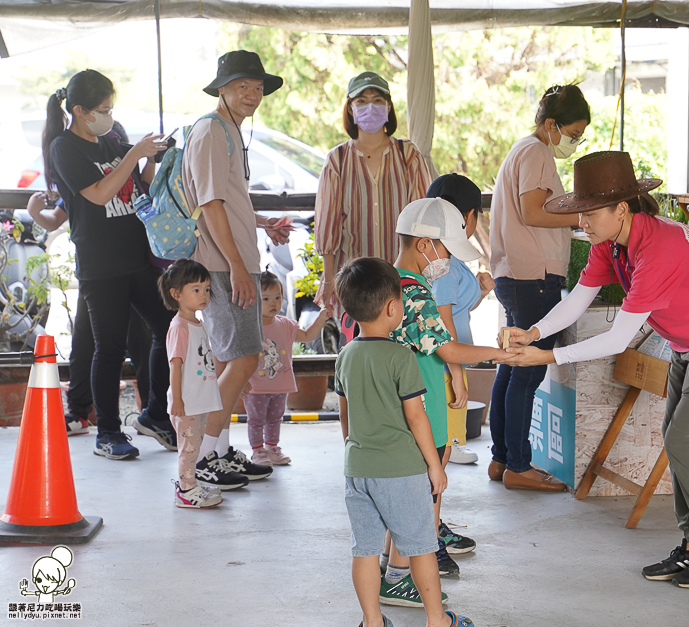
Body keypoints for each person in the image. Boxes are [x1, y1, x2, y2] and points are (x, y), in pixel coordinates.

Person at [504, 151, 689, 589]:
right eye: (579, 214)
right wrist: (533, 333)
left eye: (588, 214)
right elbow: (577, 299)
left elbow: (615, 339)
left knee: (684, 441)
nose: (581, 224)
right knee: (683, 441)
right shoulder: (613, 243)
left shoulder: (659, 248)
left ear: (621, 210)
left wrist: (548, 357)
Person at [42, 69, 176, 460]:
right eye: (102, 109)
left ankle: (154, 413)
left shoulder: (112, 139)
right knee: (111, 348)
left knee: (169, 329)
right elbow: (100, 194)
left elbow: (140, 184)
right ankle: (108, 432)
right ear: (80, 111)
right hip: (101, 264)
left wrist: (154, 160)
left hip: (139, 254)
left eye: (111, 108)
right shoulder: (64, 147)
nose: (109, 116)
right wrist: (134, 153)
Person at [333, 257, 473, 627]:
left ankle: (373, 621)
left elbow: (345, 413)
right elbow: (416, 416)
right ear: (395, 307)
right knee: (422, 547)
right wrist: (433, 465)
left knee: (364, 551)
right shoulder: (401, 356)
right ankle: (436, 619)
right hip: (401, 471)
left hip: (358, 469)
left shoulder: (345, 356)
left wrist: (352, 448)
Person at [383, 197, 510, 588]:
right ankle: (401, 578)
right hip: (422, 409)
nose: (450, 262)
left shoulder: (388, 282)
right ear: (425, 245)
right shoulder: (416, 293)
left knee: (405, 497)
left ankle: (390, 570)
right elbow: (447, 348)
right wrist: (503, 354)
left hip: (399, 407)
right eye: (448, 252)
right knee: (419, 501)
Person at [182, 50, 291, 489]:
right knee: (244, 360)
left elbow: (227, 199)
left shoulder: (227, 131)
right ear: (222, 88)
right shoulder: (211, 130)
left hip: (233, 263)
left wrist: (260, 223)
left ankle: (221, 451)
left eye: (258, 87)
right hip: (223, 266)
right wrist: (236, 268)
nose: (252, 94)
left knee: (233, 360)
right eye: (243, 86)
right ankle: (204, 457)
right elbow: (208, 204)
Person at [488, 84, 590, 491]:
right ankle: (518, 464)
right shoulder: (536, 152)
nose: (574, 142)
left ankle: (502, 458)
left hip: (516, 274)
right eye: (574, 134)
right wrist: (580, 219)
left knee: (511, 366)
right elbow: (533, 212)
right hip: (533, 277)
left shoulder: (522, 150)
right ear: (552, 125)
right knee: (527, 371)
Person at [314, 71, 431, 317]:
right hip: (354, 281)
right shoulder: (338, 160)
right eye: (362, 101)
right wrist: (328, 280)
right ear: (350, 108)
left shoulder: (408, 154)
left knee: (402, 350)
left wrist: (423, 275)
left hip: (401, 278)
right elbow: (328, 224)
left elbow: (424, 218)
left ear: (389, 107)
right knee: (358, 349)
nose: (370, 107)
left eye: (378, 100)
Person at [427, 173, 495, 467]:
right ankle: (448, 448)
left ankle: (450, 445)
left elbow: (458, 310)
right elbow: (444, 322)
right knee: (450, 410)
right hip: (444, 362)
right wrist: (456, 375)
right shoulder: (443, 264)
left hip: (450, 359)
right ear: (469, 216)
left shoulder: (448, 256)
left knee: (452, 411)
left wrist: (479, 292)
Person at [245, 271, 333, 466]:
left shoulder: (285, 324)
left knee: (275, 418)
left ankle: (272, 447)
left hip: (280, 384)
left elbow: (308, 335)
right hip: (256, 386)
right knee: (256, 419)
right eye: (266, 298)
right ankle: (257, 451)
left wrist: (320, 318)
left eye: (278, 297)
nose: (273, 303)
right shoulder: (250, 327)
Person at [158, 259, 223, 509]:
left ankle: (191, 483)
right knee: (189, 448)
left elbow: (204, 360)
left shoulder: (198, 324)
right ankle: (185, 491)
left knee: (194, 447)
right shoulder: (179, 328)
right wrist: (177, 399)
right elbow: (176, 365)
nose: (204, 295)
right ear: (176, 294)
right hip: (187, 403)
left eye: (206, 289)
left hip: (198, 400)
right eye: (196, 289)